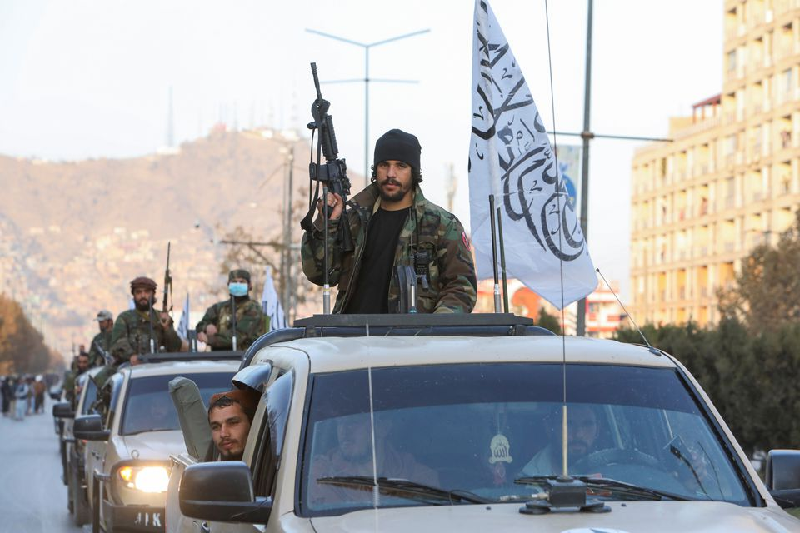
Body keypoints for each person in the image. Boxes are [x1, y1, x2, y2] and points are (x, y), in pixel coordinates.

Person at [301, 128, 477, 314]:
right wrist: (325, 224)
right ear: (376, 169)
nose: (391, 174)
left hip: (409, 339)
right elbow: (318, 274)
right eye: (384, 165)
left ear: (414, 172)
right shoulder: (354, 221)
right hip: (351, 337)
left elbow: (462, 288)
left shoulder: (441, 225)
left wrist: (430, 331)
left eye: (401, 165)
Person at [308, 412, 439, 505]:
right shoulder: (319, 476)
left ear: (383, 428)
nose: (343, 430)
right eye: (340, 422)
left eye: (353, 422)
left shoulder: (416, 476)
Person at [110, 276, 181, 365]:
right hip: (131, 366)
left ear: (153, 294)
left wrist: (167, 328)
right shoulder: (124, 318)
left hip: (158, 365)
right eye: (139, 292)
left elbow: (175, 347)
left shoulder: (161, 317)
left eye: (147, 292)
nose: (143, 295)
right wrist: (131, 356)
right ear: (134, 295)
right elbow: (118, 343)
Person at [520, 404, 603, 476]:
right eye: (568, 424)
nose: (578, 434)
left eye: (587, 424)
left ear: (597, 430)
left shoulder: (612, 473)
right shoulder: (526, 478)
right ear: (549, 428)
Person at [196, 270, 266, 352]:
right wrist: (206, 328)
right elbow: (200, 325)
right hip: (218, 357)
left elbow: (237, 337)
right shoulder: (219, 307)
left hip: (245, 358)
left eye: (242, 282)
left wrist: (208, 339)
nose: (238, 284)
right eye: (234, 281)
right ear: (228, 284)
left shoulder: (254, 309)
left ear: (249, 285)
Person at [207, 389, 258, 461]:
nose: (223, 434)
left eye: (233, 423)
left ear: (252, 424)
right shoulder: (213, 464)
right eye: (216, 427)